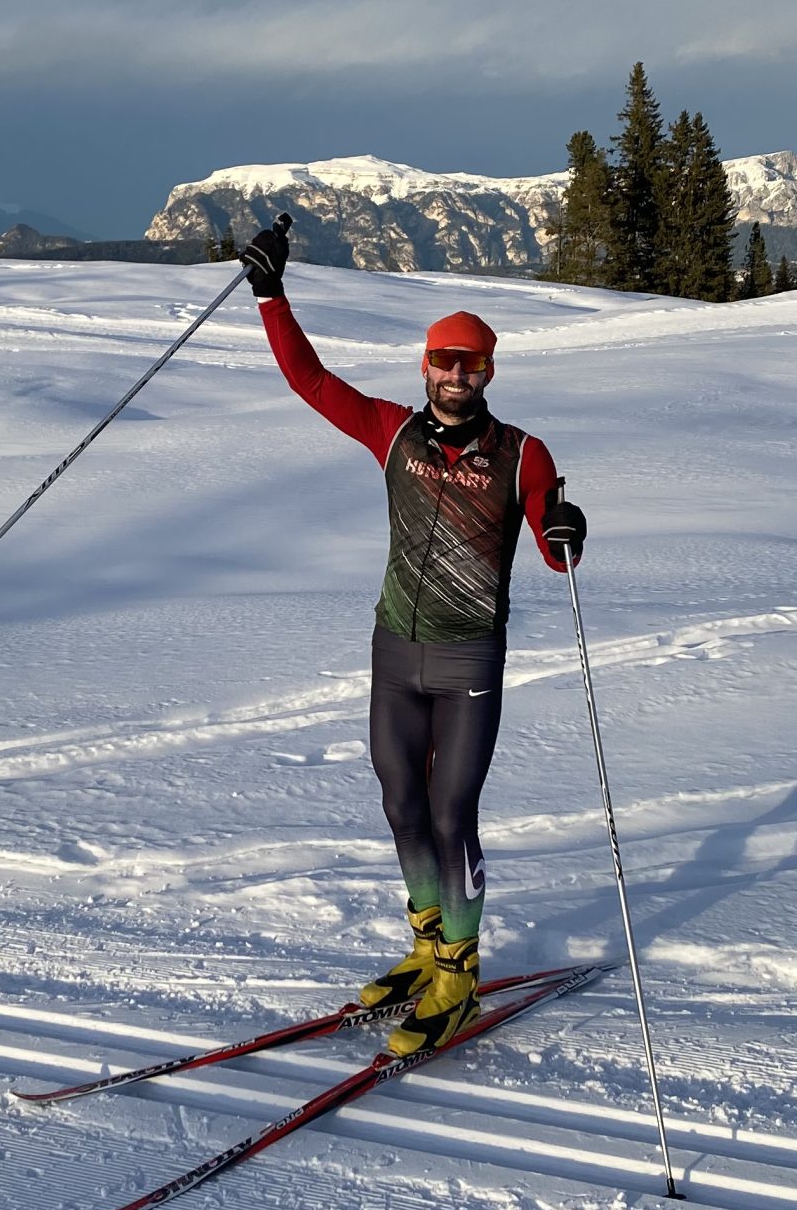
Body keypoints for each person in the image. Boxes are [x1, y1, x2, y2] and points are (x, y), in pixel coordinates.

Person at [237, 219, 585, 1056]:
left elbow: (552, 552)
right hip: (395, 648)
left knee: (451, 810)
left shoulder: (522, 453)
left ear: (489, 371)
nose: (456, 375)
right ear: (424, 366)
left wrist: (567, 527)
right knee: (401, 805)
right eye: (444, 361)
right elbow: (311, 381)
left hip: (469, 655)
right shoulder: (391, 431)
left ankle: (458, 977)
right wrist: (269, 294)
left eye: (471, 364)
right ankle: (428, 948)